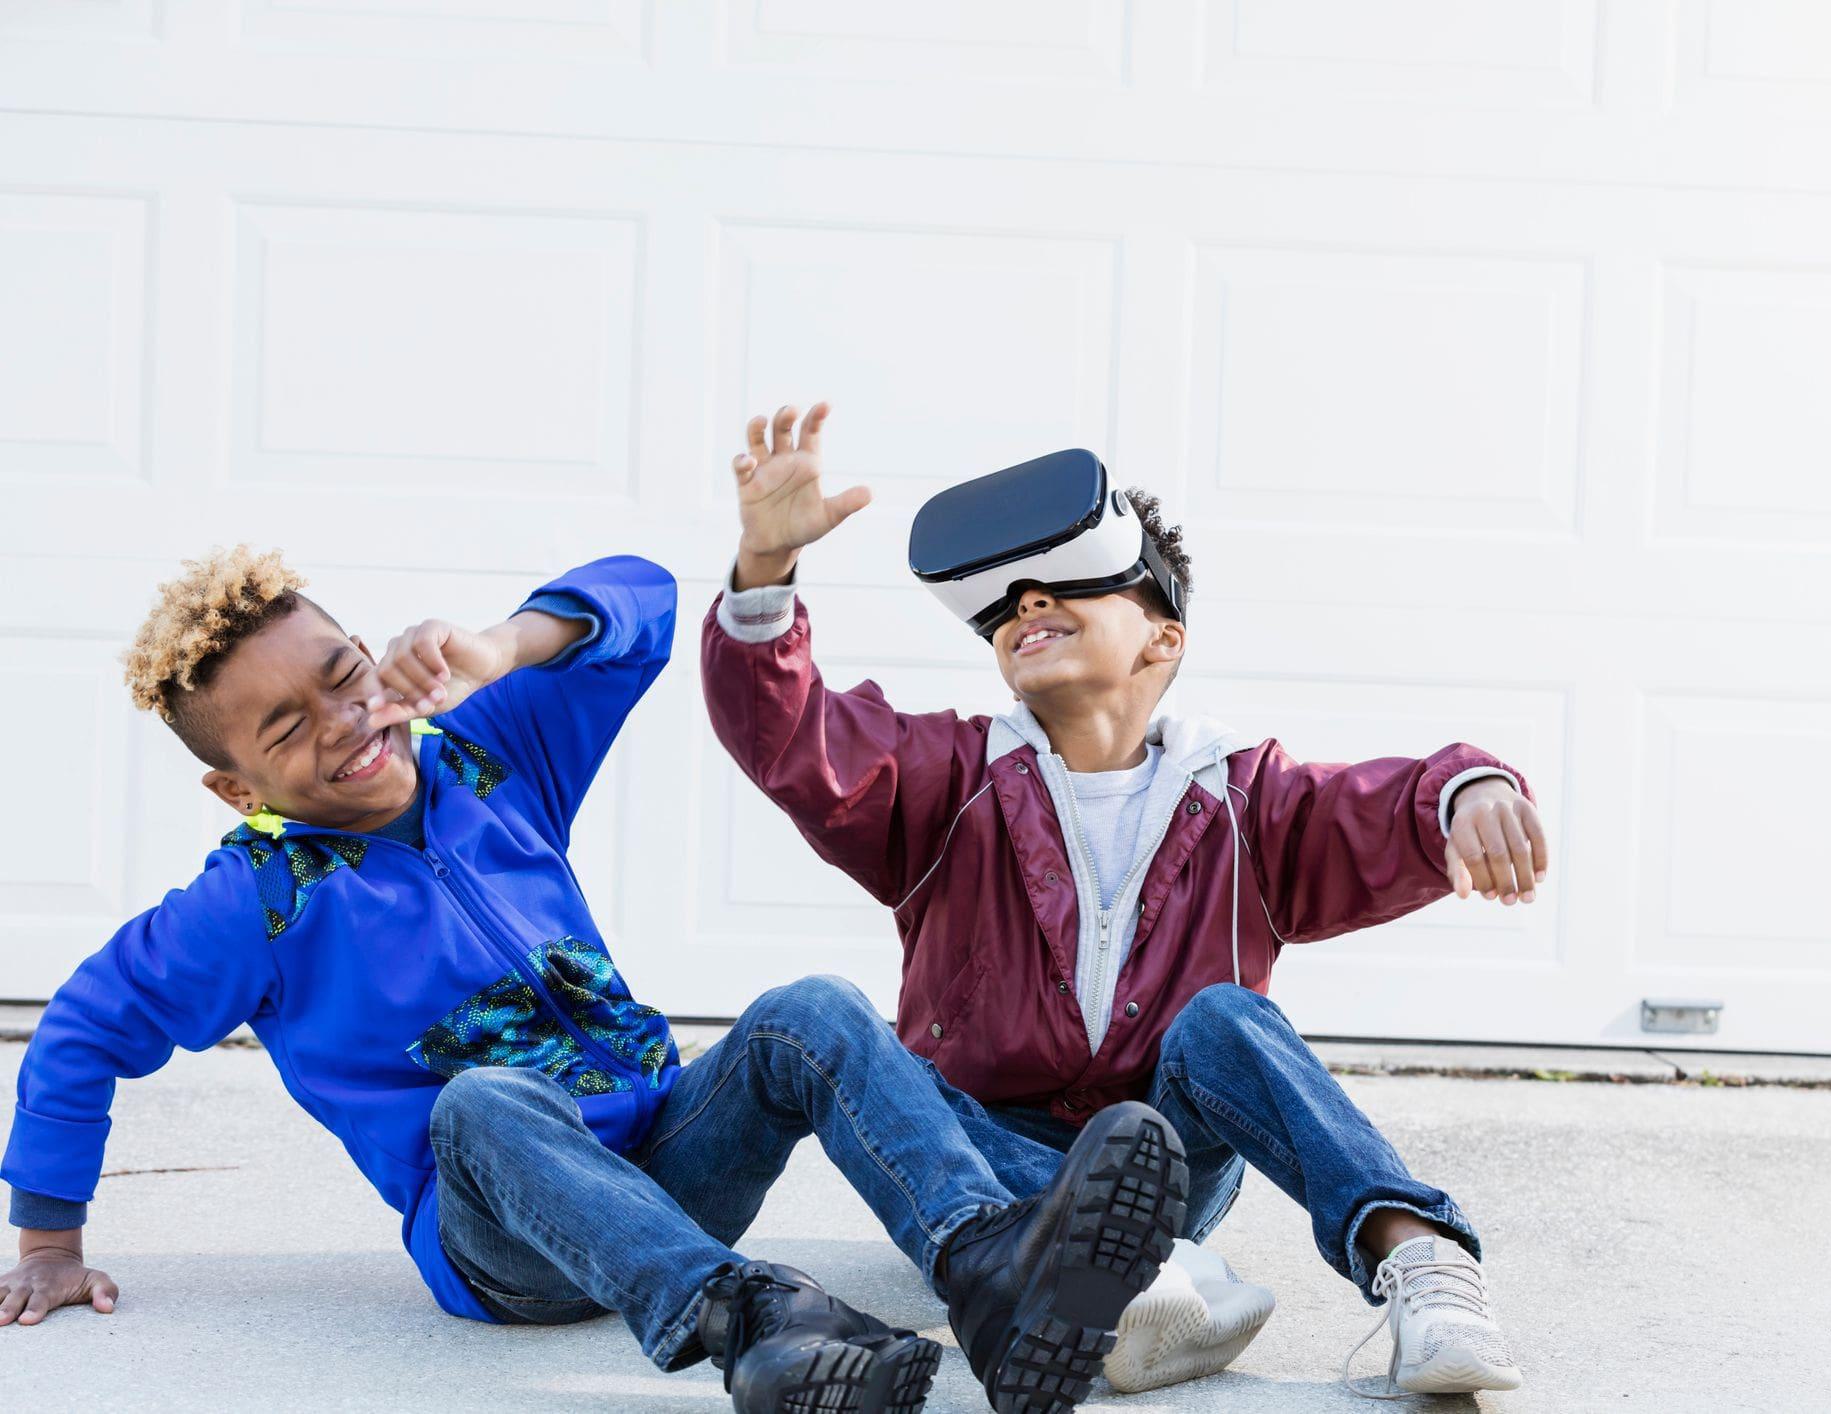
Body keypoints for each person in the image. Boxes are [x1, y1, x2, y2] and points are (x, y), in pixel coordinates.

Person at [0, 547, 1188, 1413]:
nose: (346, 717)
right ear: (234, 784)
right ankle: (755, 1323)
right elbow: (84, 1028)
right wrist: (49, 1240)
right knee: (481, 1098)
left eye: (345, 671)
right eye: (285, 725)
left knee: (809, 1014)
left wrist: (500, 646)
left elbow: (646, 602)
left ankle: (990, 1264)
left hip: (667, 1167)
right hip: (504, 1244)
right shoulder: (250, 902)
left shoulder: (488, 758)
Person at [704, 402, 1551, 1396]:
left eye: (1067, 585)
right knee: (850, 1035)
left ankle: (1421, 1265)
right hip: (978, 1164)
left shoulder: (1245, 795)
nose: (1027, 604)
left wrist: (1470, 788)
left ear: (1161, 636)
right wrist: (764, 576)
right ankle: (1124, 1289)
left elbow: (1379, 807)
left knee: (1225, 1017)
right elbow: (796, 739)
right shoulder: (945, 777)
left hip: (1167, 1165)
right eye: (1007, 602)